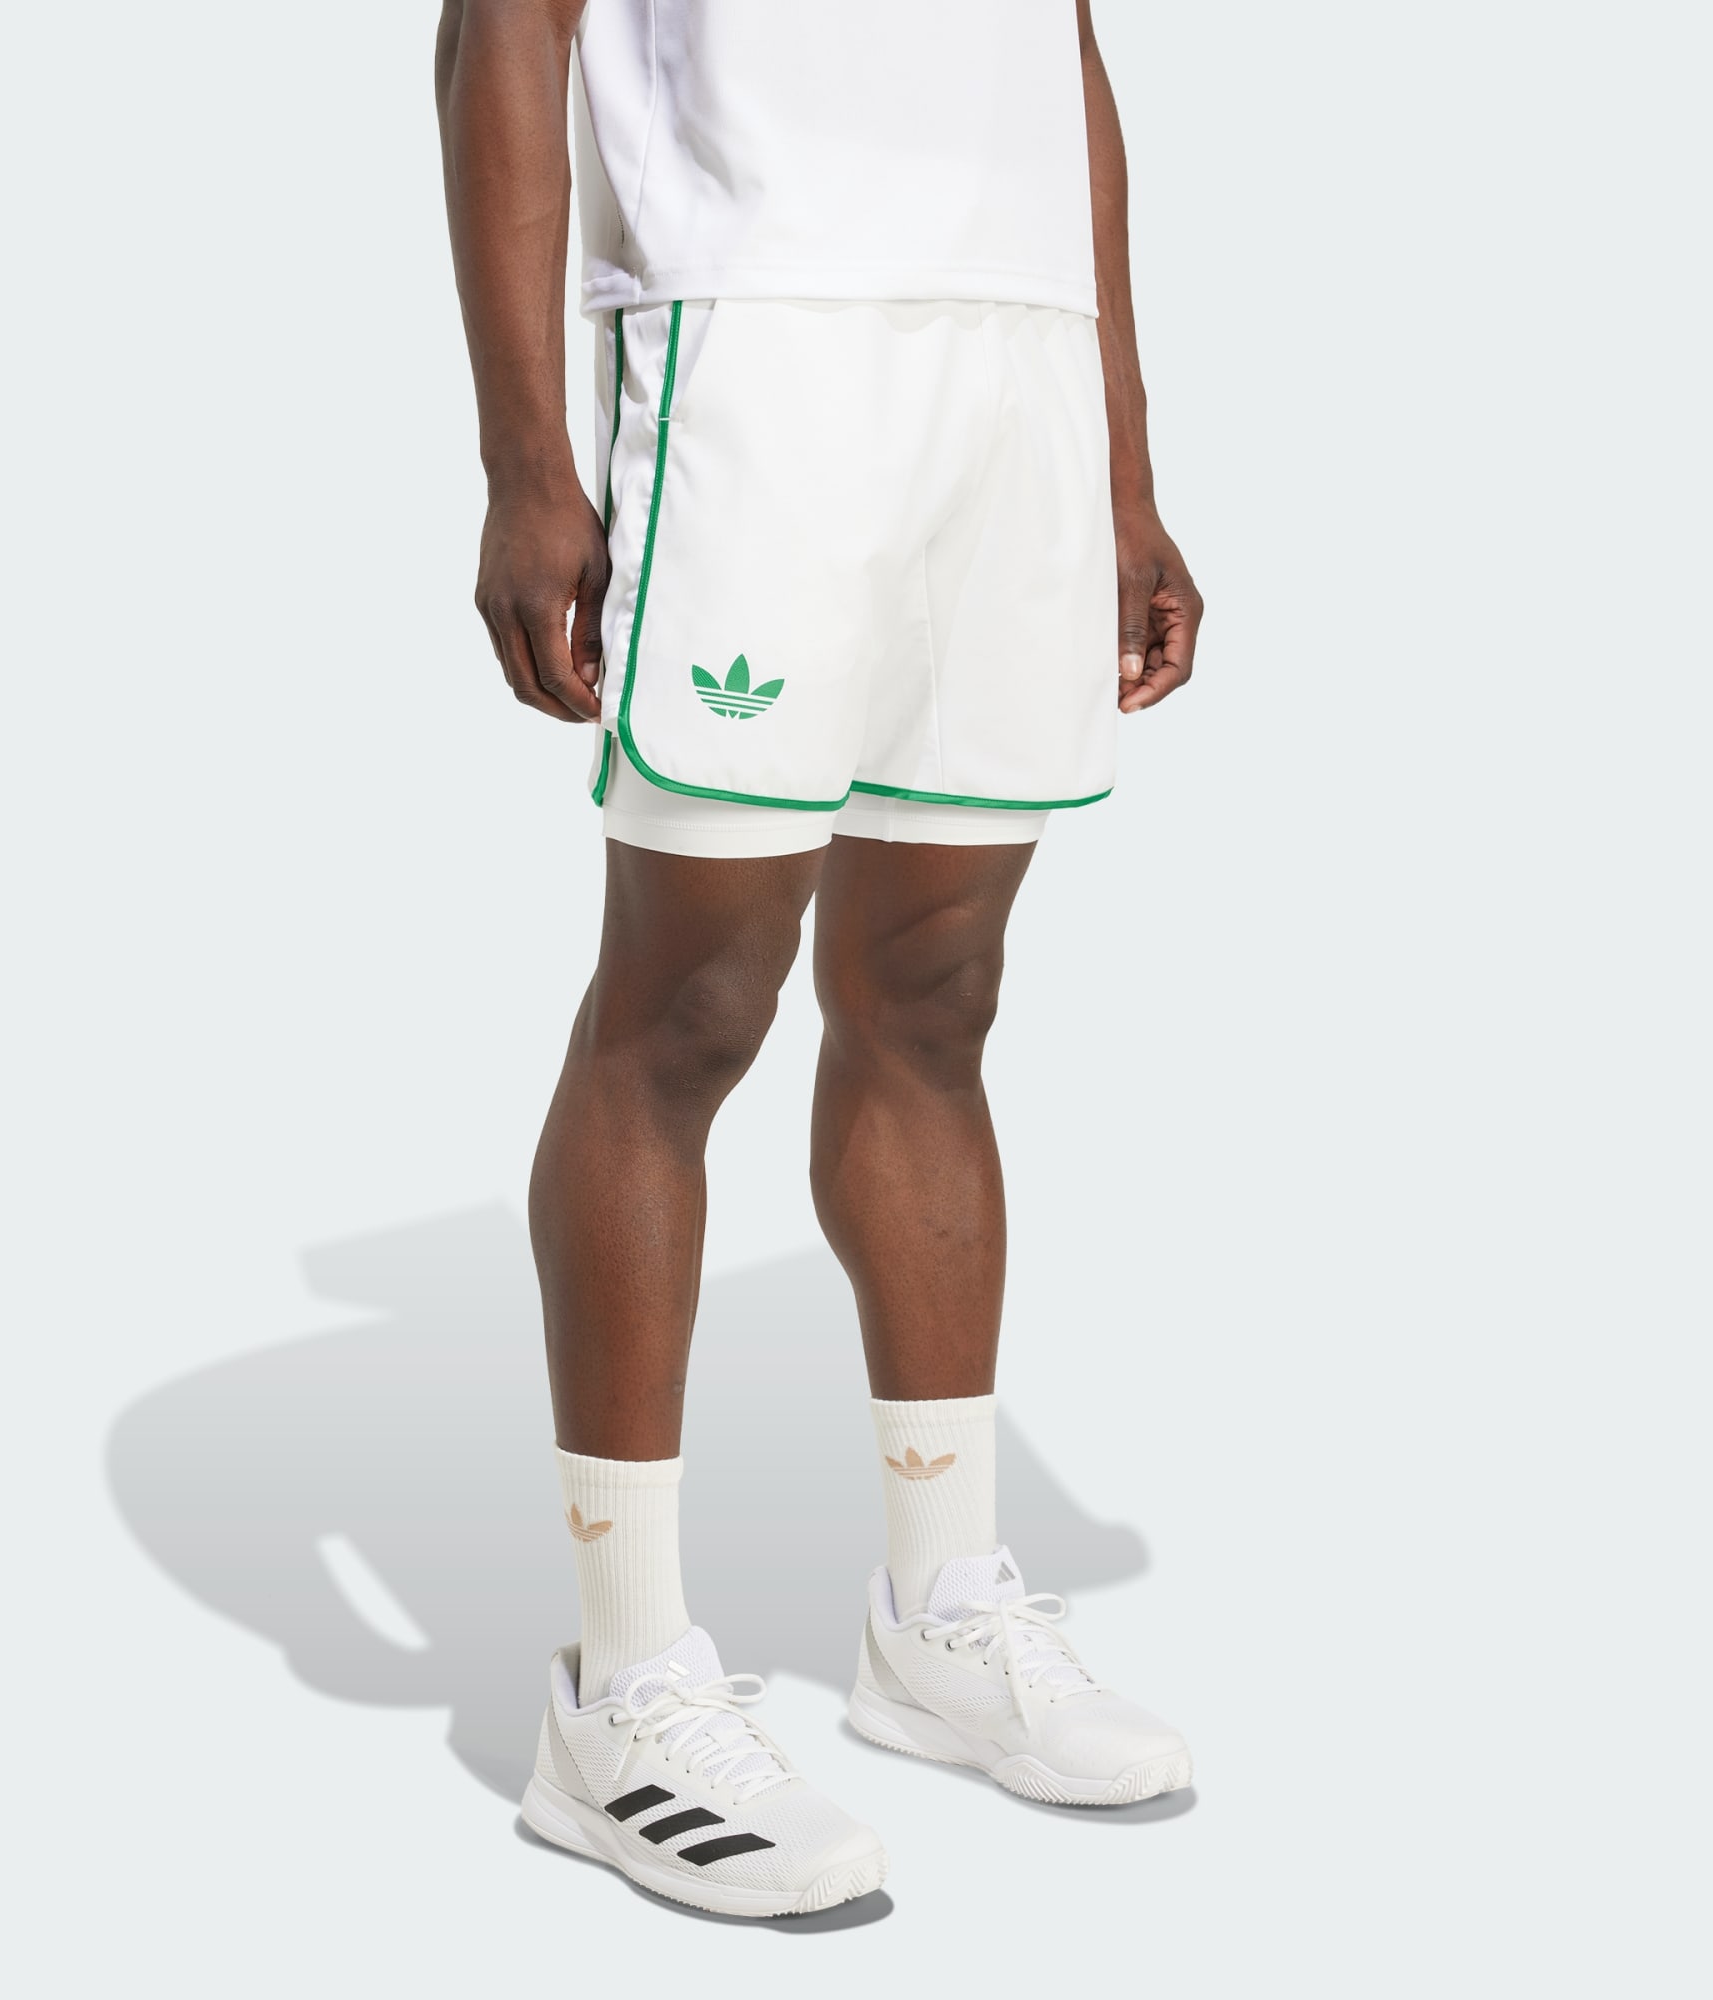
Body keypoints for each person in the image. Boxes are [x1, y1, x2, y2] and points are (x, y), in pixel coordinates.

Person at [436, 0, 1202, 1917]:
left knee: (938, 997)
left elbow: (1068, 58)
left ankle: (940, 1618)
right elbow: (504, 28)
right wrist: (526, 457)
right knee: (689, 1006)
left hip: (1011, 356)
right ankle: (620, 1689)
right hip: (759, 330)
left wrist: (1123, 463)